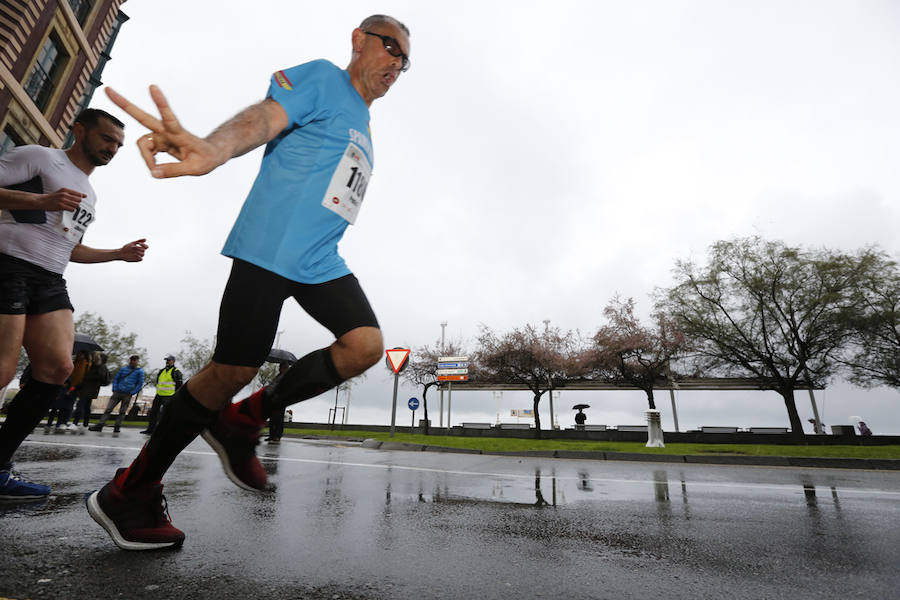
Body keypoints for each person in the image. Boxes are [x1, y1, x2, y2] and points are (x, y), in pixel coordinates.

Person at [87, 14, 410, 550]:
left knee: (364, 346)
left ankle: (244, 420)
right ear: (359, 40)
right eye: (391, 48)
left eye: (406, 61)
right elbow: (265, 117)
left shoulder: (364, 122)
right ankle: (129, 491)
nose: (397, 64)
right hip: (271, 245)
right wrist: (214, 148)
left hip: (319, 259)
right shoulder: (323, 78)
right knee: (231, 370)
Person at [0, 108, 148, 501]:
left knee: (58, 368)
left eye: (118, 144)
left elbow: (70, 247)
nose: (112, 148)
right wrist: (41, 199)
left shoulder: (90, 194)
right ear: (79, 131)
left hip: (50, 278)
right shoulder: (39, 157)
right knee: (2, 371)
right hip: (9, 265)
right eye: (106, 139)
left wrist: (117, 254)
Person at [89, 355, 144, 434]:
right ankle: (100, 425)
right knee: (108, 409)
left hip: (127, 393)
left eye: (135, 360)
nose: (133, 361)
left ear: (137, 361)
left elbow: (140, 383)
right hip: (118, 392)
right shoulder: (123, 369)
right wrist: (114, 388)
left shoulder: (139, 372)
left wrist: (133, 392)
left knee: (122, 411)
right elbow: (116, 379)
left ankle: (117, 426)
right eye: (132, 360)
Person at [140, 355, 183, 435]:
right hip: (159, 395)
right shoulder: (161, 371)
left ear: (173, 361)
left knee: (166, 414)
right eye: (166, 360)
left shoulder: (176, 372)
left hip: (169, 396)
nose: (167, 361)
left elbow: (179, 385)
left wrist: (175, 396)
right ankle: (150, 430)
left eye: (169, 360)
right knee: (153, 412)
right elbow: (158, 382)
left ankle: (164, 431)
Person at [73, 352, 110, 432]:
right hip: (88, 388)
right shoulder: (92, 365)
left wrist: (89, 376)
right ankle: (85, 424)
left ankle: (75, 423)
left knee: (80, 405)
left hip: (90, 389)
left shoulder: (101, 367)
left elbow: (101, 377)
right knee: (86, 406)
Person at [265, 361, 292, 444]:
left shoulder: (287, 377)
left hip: (281, 399)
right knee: (272, 418)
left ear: (284, 368)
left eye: (281, 367)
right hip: (274, 398)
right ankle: (272, 435)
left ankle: (277, 435)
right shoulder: (278, 376)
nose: (279, 369)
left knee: (279, 418)